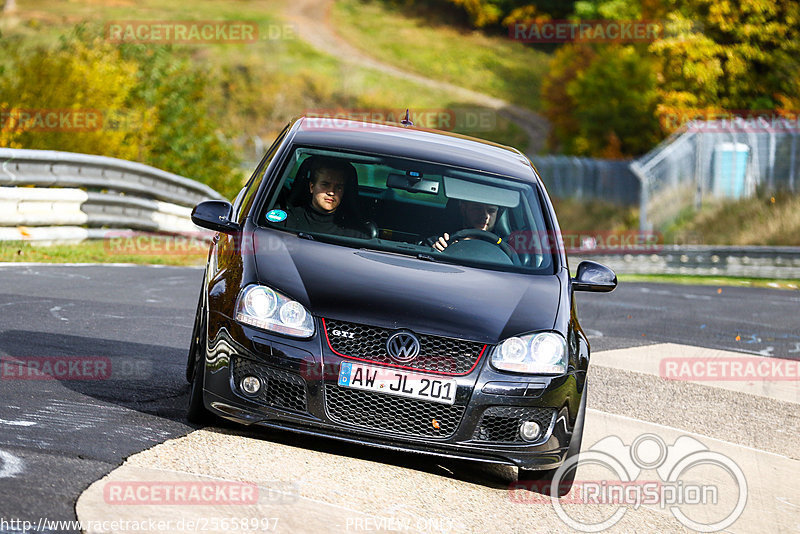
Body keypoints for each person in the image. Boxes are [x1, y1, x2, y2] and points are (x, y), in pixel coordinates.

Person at [283, 158, 368, 238]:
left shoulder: (355, 231)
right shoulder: (289, 220)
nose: (331, 192)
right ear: (312, 187)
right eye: (325, 184)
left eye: (338, 187)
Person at [431, 200, 500, 251]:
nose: (485, 215)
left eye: (491, 211)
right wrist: (436, 253)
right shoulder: (441, 240)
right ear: (463, 208)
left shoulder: (502, 246)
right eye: (477, 209)